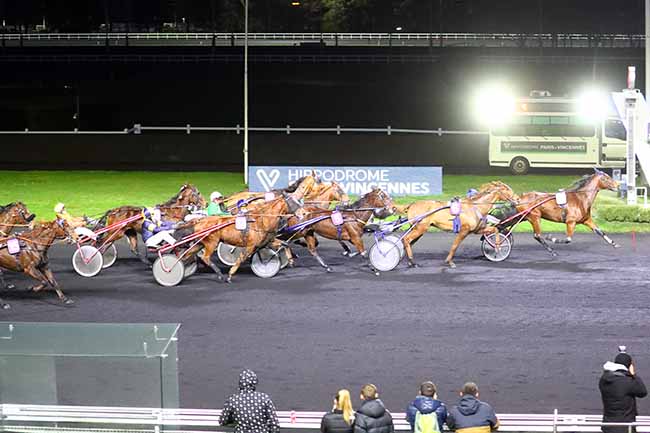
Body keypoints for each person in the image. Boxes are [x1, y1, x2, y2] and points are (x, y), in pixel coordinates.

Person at [599, 351, 647, 433]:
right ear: (628, 366)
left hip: (608, 426)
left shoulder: (604, 380)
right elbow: (643, 392)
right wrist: (633, 374)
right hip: (625, 427)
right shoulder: (628, 381)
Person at [219, 369, 280, 433]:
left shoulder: (233, 400)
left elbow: (222, 421)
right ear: (255, 383)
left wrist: (235, 419)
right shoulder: (264, 398)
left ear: (240, 383)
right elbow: (274, 424)